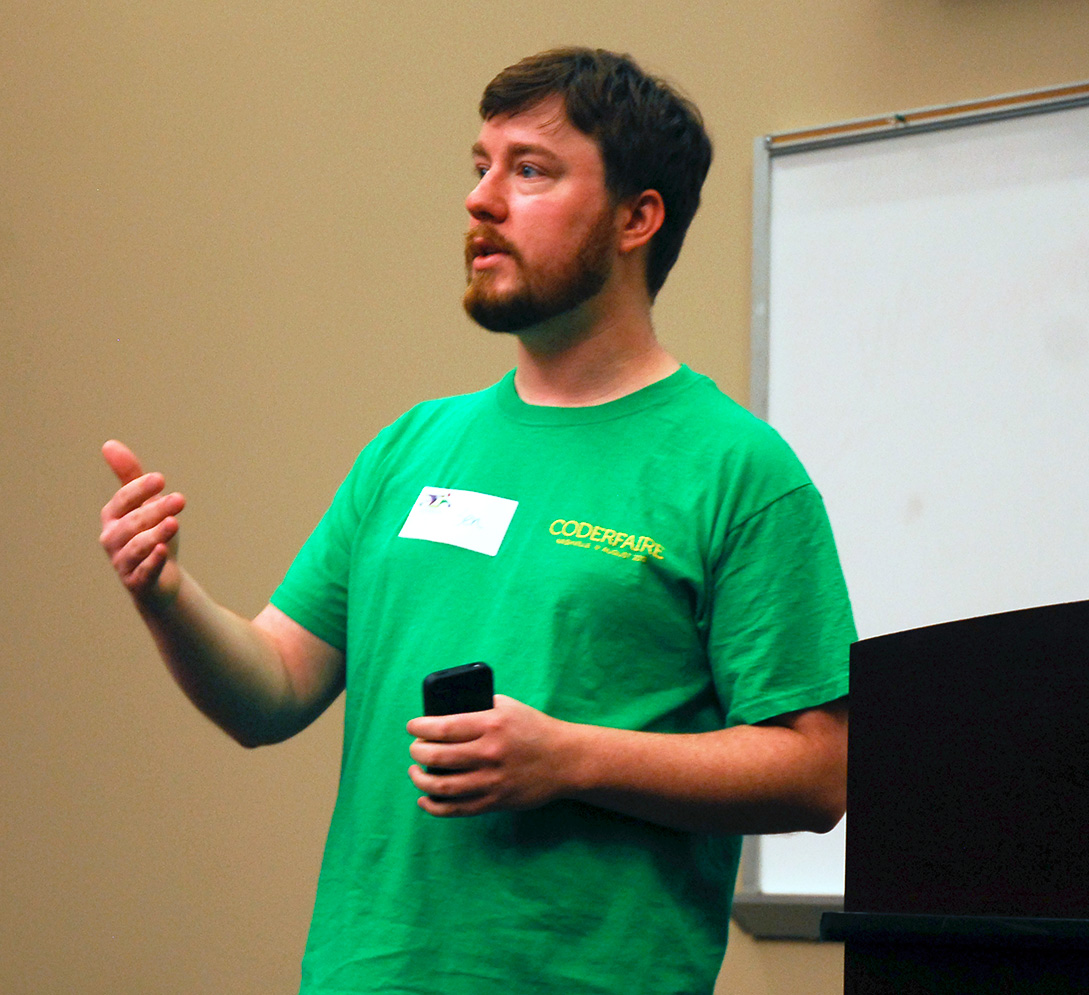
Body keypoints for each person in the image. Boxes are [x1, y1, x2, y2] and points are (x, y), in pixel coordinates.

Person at [100, 48, 855, 995]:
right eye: (480, 166)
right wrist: (166, 594)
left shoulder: (737, 471)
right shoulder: (411, 447)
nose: (481, 200)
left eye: (529, 170)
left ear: (636, 217)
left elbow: (818, 770)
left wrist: (569, 756)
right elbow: (272, 689)